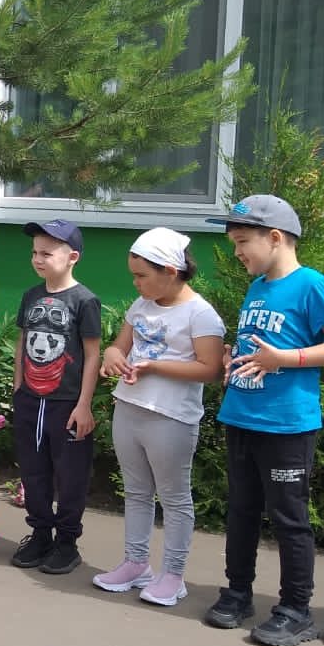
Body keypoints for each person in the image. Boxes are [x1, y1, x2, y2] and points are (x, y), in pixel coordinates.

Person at [201, 194, 324, 646]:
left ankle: (295, 609)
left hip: (286, 425)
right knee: (241, 511)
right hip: (241, 416)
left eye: (242, 242)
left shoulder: (314, 286)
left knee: (289, 518)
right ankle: (237, 592)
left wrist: (284, 359)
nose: (237, 252)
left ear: (275, 237)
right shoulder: (257, 287)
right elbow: (261, 344)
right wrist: (235, 358)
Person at [94, 227, 225, 606]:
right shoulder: (141, 305)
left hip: (171, 418)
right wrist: (112, 356)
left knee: (174, 498)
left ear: (170, 271)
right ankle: (136, 564)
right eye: (133, 275)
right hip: (129, 408)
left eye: (141, 275)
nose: (135, 283)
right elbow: (119, 347)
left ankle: (173, 575)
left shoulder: (200, 314)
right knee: (136, 491)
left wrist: (154, 366)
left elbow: (210, 369)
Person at [7, 219, 102, 576]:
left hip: (67, 405)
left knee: (70, 475)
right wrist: (18, 387)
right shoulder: (31, 295)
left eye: (47, 253)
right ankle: (40, 534)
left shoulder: (85, 300)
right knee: (33, 471)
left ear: (72, 257)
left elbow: (92, 354)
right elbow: (22, 341)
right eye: (35, 252)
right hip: (31, 401)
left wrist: (84, 404)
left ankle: (66, 542)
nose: (38, 259)